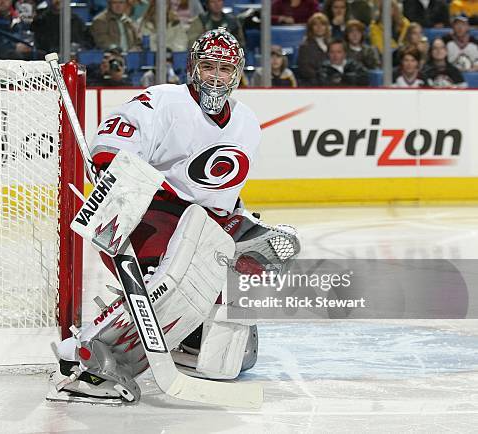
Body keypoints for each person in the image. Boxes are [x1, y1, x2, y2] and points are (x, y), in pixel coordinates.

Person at [51, 28, 300, 404]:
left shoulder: (247, 123)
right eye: (209, 67)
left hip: (199, 224)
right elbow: (108, 153)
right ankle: (88, 357)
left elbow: (223, 196)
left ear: (237, 74)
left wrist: (237, 229)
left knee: (233, 350)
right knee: (179, 274)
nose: (215, 77)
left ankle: (189, 334)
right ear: (193, 68)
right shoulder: (163, 101)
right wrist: (112, 172)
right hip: (145, 214)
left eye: (224, 69)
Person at [297, 12, 331, 85]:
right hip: (313, 82)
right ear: (311, 27)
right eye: (316, 24)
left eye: (322, 24)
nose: (319, 27)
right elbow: (305, 69)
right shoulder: (305, 46)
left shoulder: (331, 43)